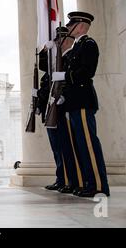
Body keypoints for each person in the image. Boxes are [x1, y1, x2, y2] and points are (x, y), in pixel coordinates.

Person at [52, 12, 110, 197]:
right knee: (80, 145)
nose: (69, 28)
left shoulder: (88, 44)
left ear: (82, 26)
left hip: (83, 101)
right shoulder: (77, 47)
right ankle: (88, 182)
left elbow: (87, 72)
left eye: (72, 25)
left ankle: (98, 185)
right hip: (73, 103)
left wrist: (65, 77)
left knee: (88, 144)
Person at [39, 27, 83, 193]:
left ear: (66, 40)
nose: (56, 44)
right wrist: (45, 50)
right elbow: (44, 68)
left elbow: (67, 80)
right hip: (52, 108)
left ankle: (71, 180)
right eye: (55, 41)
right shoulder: (54, 61)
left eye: (58, 41)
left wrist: (62, 97)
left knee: (65, 146)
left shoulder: (69, 57)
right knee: (57, 147)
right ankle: (62, 178)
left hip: (62, 107)